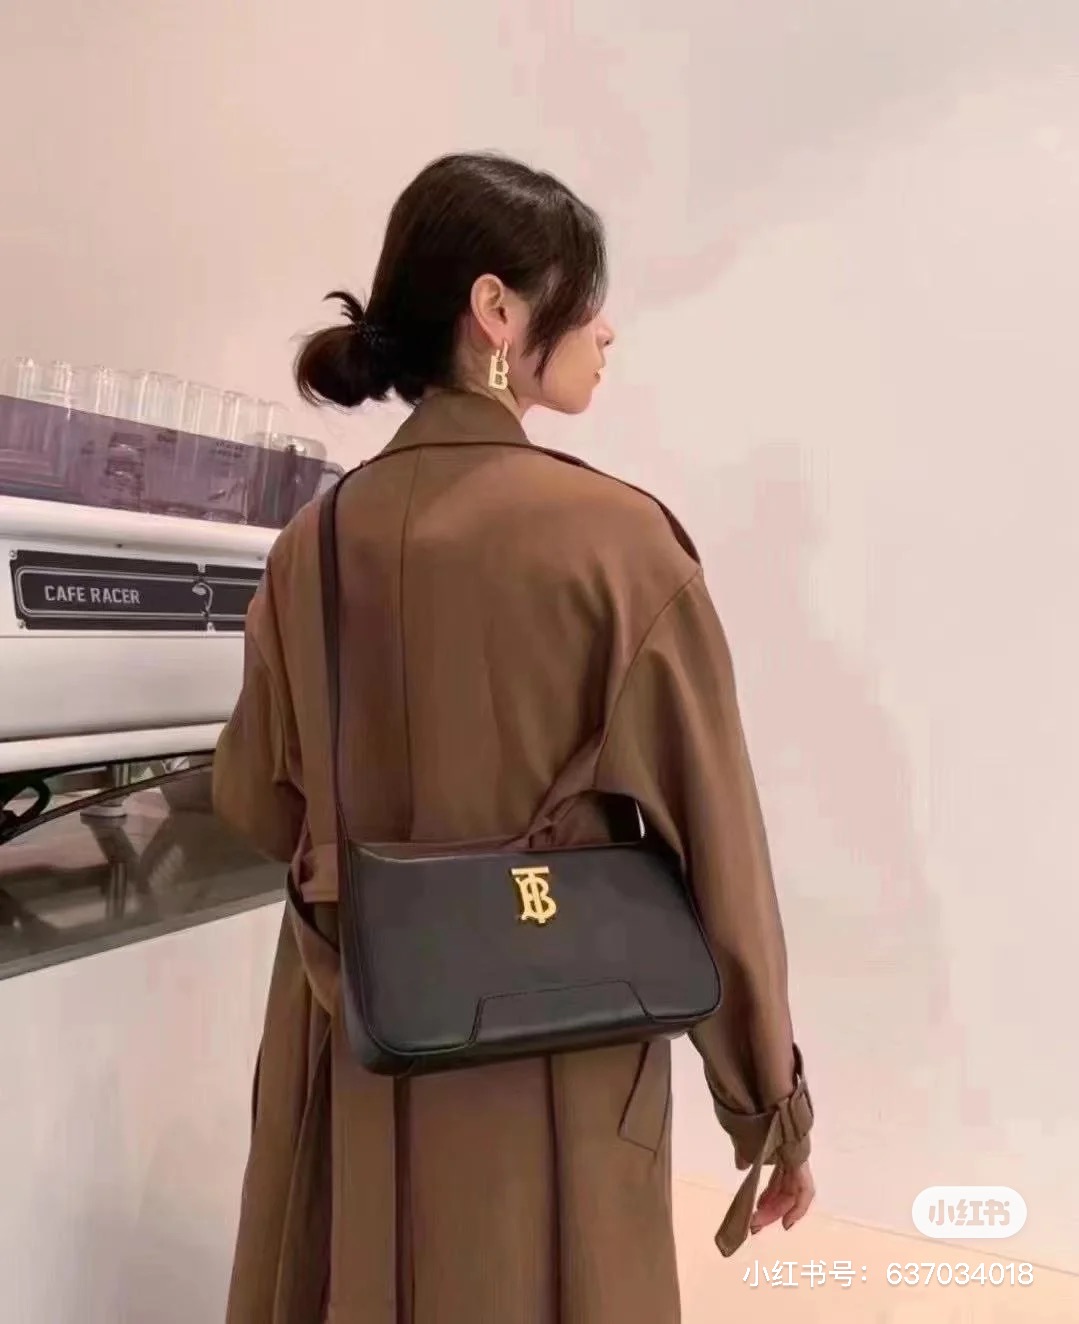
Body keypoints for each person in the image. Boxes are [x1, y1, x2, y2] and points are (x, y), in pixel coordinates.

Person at [214, 151, 814, 1324]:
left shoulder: (309, 547)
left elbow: (254, 799)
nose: (604, 328)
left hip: (358, 1046)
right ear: (495, 310)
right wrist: (767, 1111)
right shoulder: (618, 545)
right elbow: (719, 855)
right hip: (546, 1054)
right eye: (583, 299)